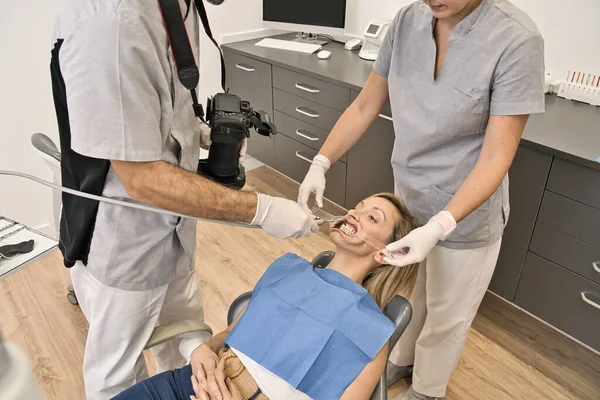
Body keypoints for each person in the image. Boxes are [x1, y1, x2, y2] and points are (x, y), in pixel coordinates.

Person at [50, 0, 317, 398]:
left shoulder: (182, 7)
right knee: (117, 375)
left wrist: (196, 132)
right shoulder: (113, 22)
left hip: (172, 234)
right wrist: (263, 209)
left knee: (186, 347)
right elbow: (142, 180)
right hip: (125, 242)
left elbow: (153, 102)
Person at [297, 0, 545, 399]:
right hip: (409, 201)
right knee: (411, 294)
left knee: (447, 314)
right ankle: (402, 359)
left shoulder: (516, 39)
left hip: (466, 215)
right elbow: (366, 104)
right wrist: (321, 161)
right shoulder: (408, 21)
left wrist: (441, 225)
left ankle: (428, 390)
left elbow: (497, 156)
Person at [112, 193, 421, 400]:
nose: (355, 213)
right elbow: (233, 334)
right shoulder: (289, 273)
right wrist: (203, 350)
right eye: (359, 206)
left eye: (372, 218)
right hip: (194, 380)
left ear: (386, 253)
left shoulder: (372, 333)